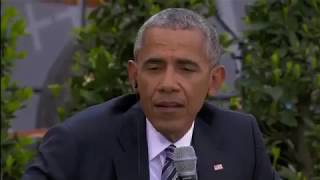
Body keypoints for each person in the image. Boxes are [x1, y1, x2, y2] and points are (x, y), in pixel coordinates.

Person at [23, 8, 279, 180]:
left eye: (186, 69)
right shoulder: (77, 143)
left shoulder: (240, 137)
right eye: (154, 68)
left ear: (214, 81)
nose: (168, 84)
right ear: (135, 76)